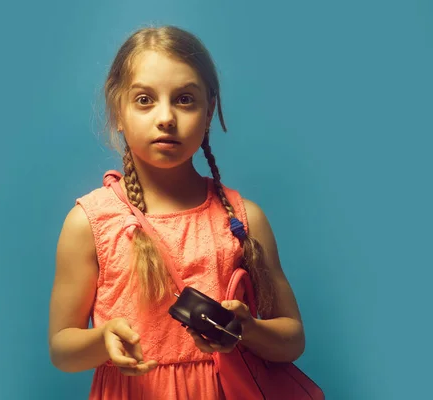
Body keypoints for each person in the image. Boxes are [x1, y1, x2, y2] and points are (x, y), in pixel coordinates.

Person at [48, 25, 306, 399]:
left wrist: (246, 329)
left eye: (185, 99)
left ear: (209, 111)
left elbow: (292, 340)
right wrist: (103, 340)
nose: (166, 117)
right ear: (117, 110)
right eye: (144, 100)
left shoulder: (244, 218)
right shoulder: (89, 223)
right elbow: (62, 349)